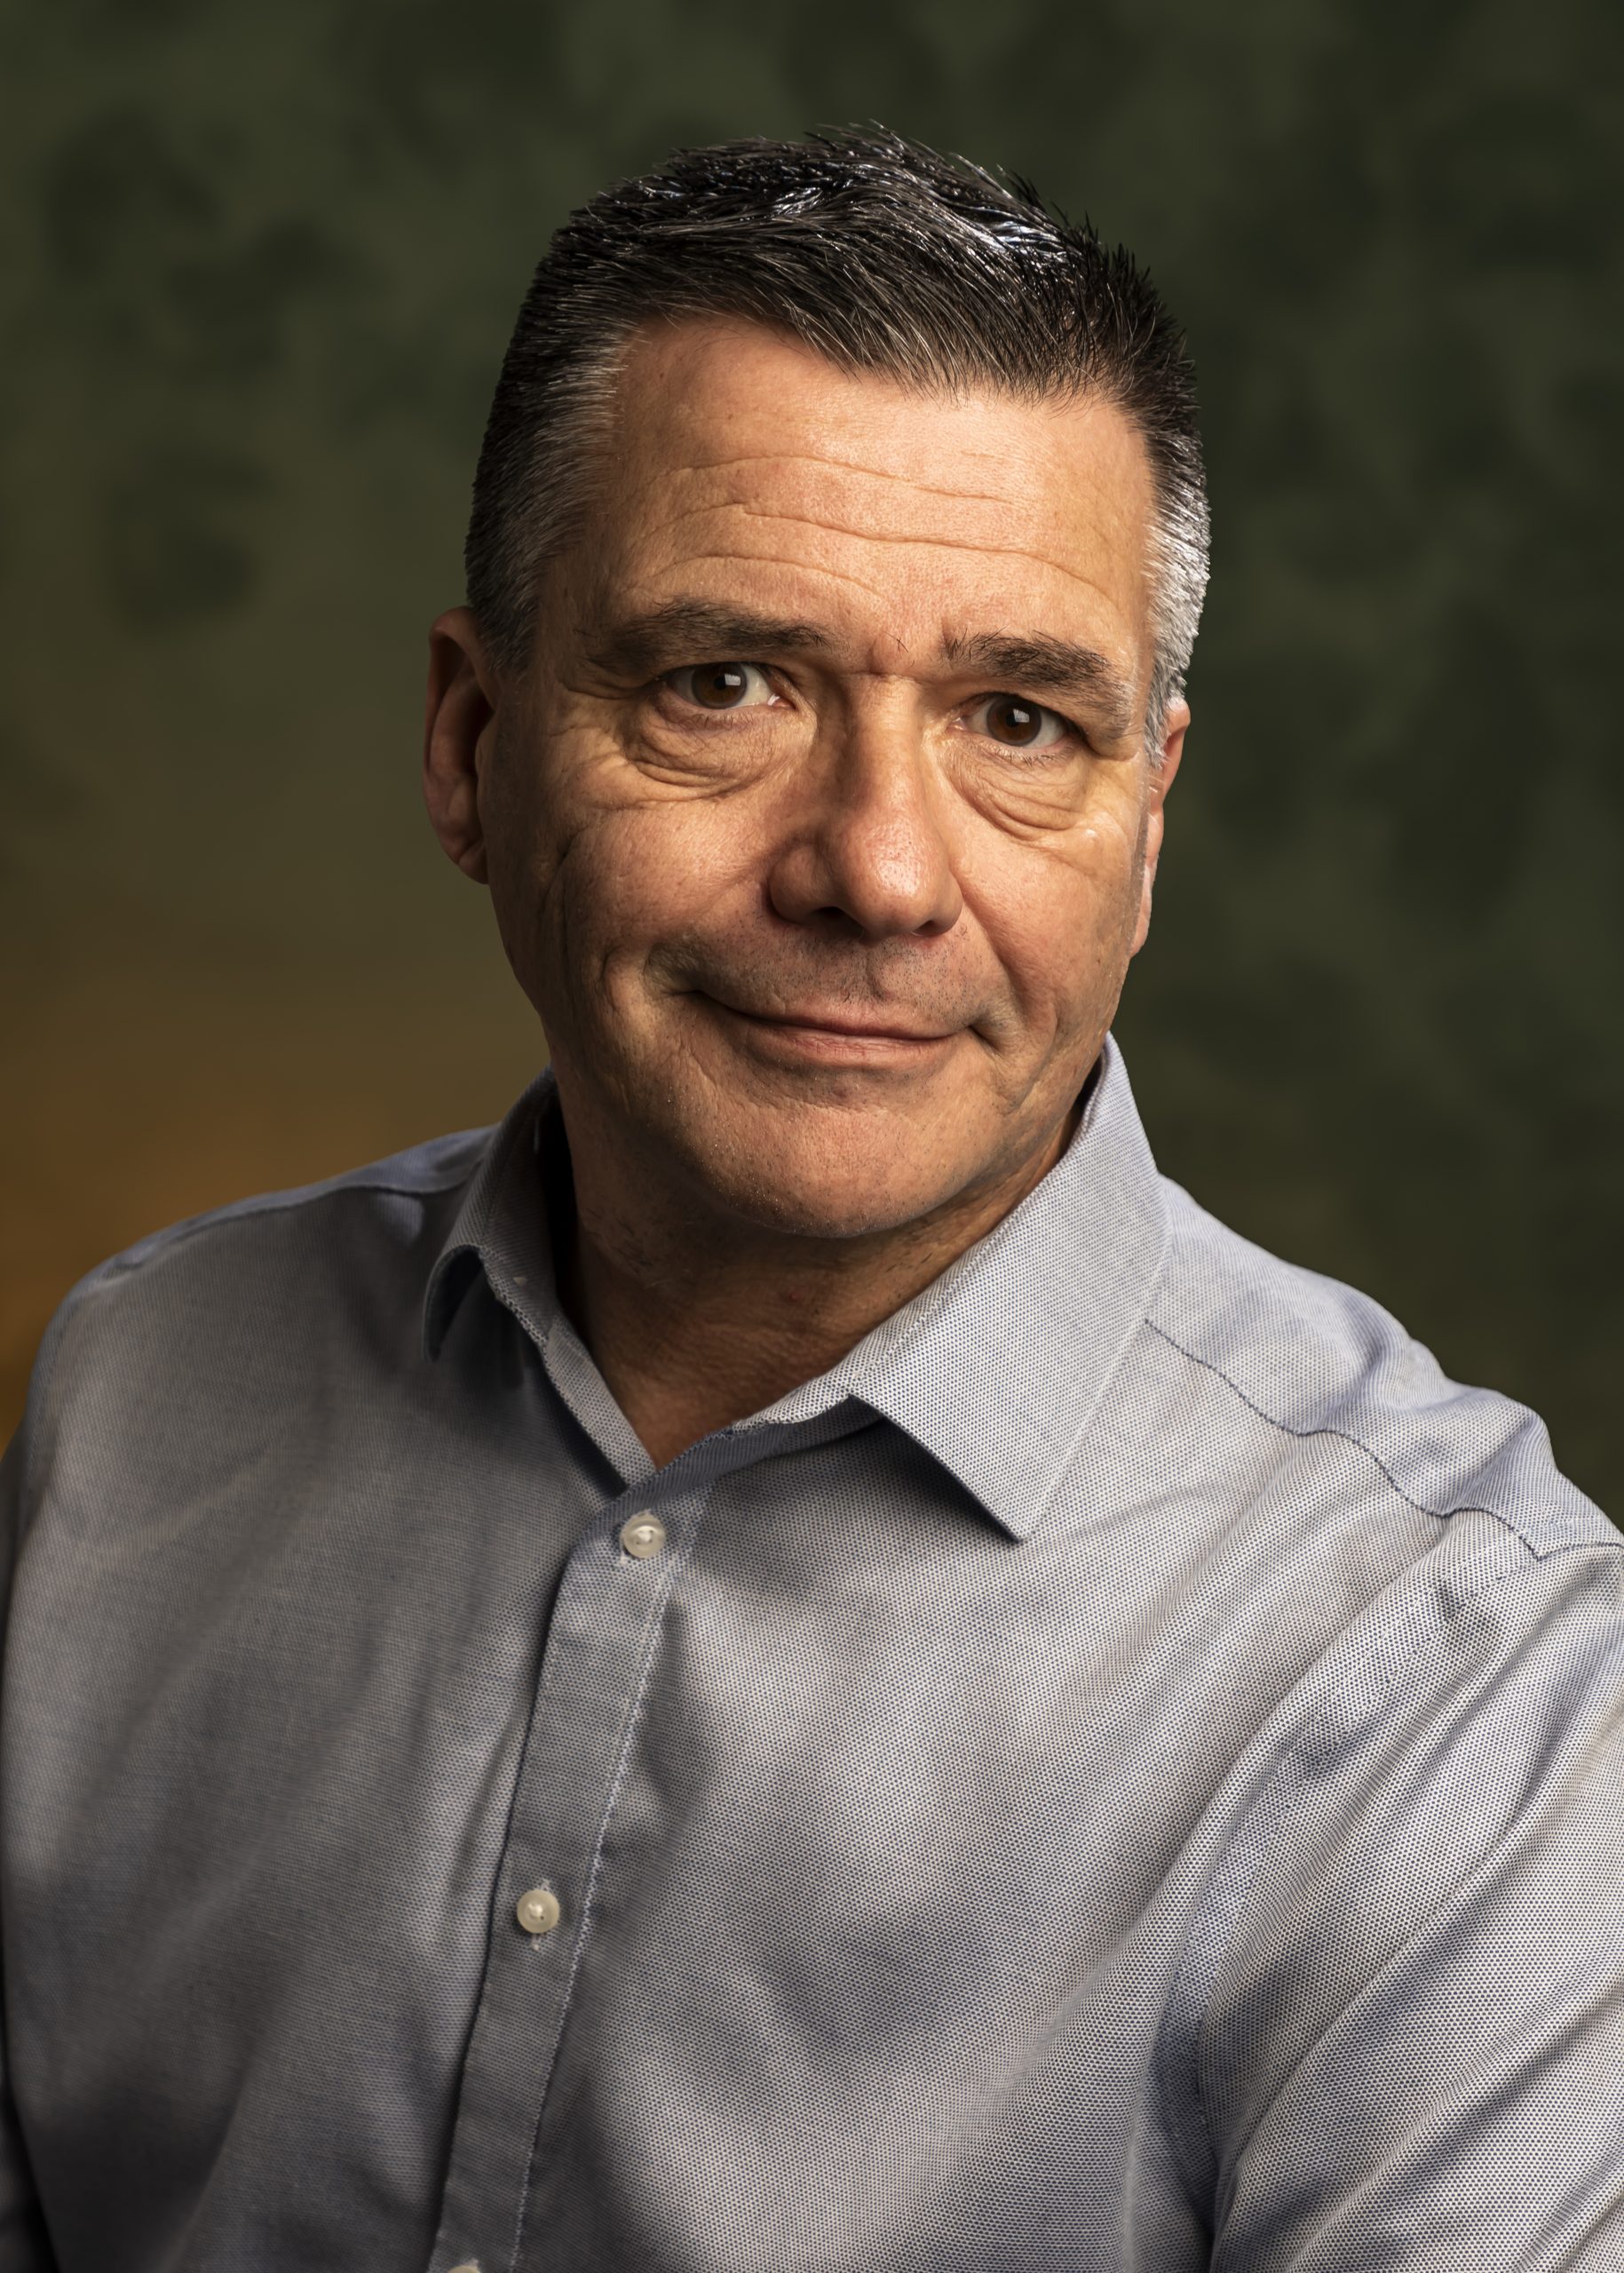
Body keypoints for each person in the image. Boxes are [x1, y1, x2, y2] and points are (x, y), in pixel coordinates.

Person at [2, 128, 1620, 2273]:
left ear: (1146, 825)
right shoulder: (142, 1392)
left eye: (1019, 719)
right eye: (725, 683)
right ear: (472, 743)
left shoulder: (1466, 1684)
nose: (874, 866)